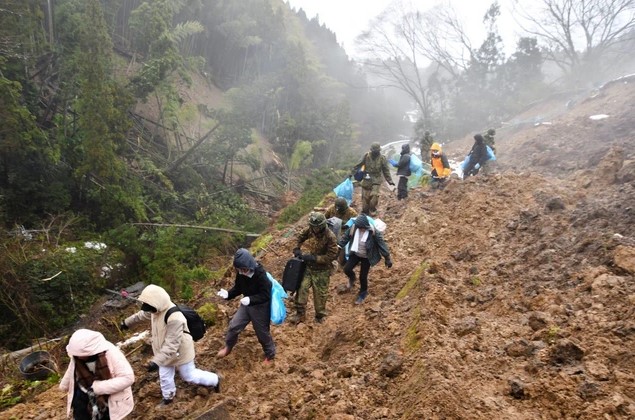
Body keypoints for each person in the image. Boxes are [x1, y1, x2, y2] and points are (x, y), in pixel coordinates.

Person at [121, 284, 220, 408]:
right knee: (165, 376)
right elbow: (141, 315)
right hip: (163, 351)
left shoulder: (174, 317)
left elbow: (172, 344)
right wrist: (126, 323)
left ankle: (215, 379)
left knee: (189, 375)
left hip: (181, 351)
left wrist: (156, 361)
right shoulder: (155, 310)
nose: (147, 309)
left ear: (156, 303)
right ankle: (168, 397)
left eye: (148, 307)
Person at [216, 248, 276, 365]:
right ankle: (228, 347)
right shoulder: (241, 274)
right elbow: (238, 287)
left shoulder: (260, 274)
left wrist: (251, 299)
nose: (242, 272)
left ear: (250, 265)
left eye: (244, 269)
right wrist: (228, 294)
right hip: (246, 305)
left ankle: (270, 354)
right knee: (234, 326)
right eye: (240, 270)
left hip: (260, 306)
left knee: (262, 332)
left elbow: (266, 295)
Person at [60, 329, 134, 420]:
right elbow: (71, 370)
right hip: (84, 395)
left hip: (110, 400)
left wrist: (97, 388)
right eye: (76, 355)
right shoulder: (77, 355)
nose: (79, 357)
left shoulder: (111, 353)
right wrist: (64, 385)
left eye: (81, 355)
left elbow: (128, 378)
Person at [291, 211, 339, 324]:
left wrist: (315, 258)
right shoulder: (310, 230)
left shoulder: (330, 236)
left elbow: (331, 255)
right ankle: (300, 313)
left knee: (320, 294)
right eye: (313, 227)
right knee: (302, 288)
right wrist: (297, 248)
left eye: (316, 227)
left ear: (322, 226)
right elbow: (300, 237)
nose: (314, 229)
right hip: (309, 268)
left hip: (322, 270)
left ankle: (320, 315)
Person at [338, 213, 393, 304]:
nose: (362, 229)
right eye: (360, 228)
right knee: (347, 269)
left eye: (363, 228)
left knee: (363, 277)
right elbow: (345, 238)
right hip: (355, 253)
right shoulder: (354, 228)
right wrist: (339, 247)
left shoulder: (373, 232)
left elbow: (381, 244)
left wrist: (387, 258)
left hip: (367, 257)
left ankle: (363, 293)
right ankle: (352, 278)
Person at [350, 142, 394, 217]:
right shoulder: (366, 156)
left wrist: (389, 180)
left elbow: (385, 170)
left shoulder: (382, 158)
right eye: (374, 151)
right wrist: (352, 173)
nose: (376, 152)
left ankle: (372, 210)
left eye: (377, 151)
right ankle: (365, 211)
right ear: (372, 150)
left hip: (376, 179)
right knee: (365, 197)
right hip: (367, 178)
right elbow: (358, 165)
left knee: (374, 196)